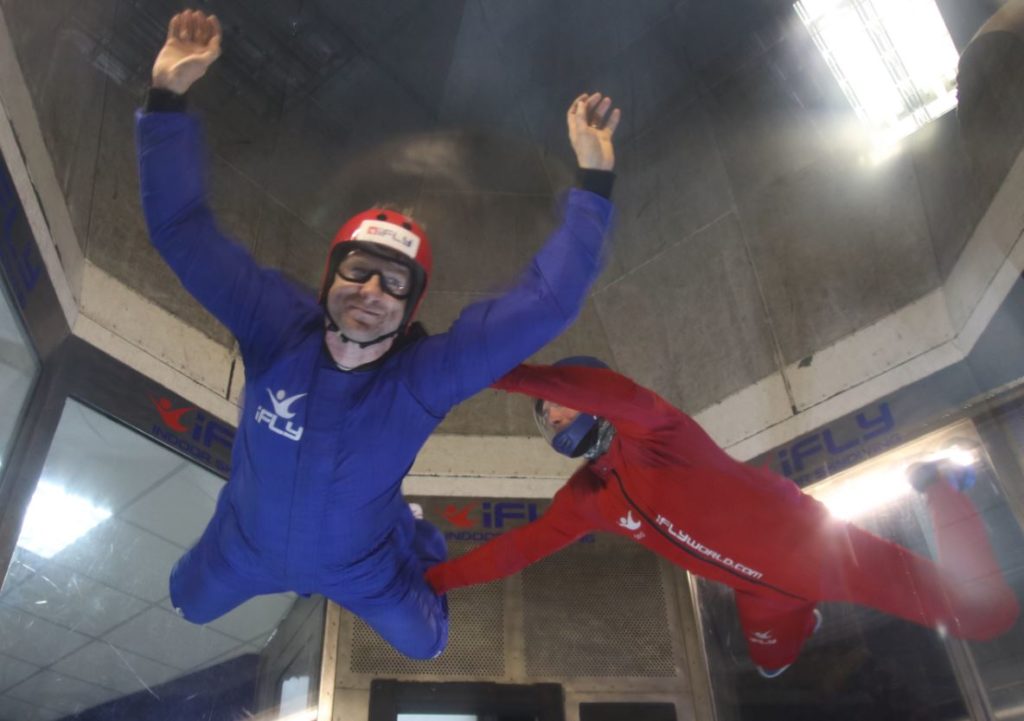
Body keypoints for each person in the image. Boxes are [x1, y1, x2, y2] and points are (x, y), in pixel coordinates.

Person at [137, 9, 622, 659]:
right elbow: (182, 230)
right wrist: (167, 97)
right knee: (184, 602)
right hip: (242, 545)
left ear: (411, 303)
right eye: (359, 271)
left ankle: (411, 532)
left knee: (428, 644)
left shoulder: (423, 377)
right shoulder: (274, 325)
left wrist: (594, 182)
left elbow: (547, 300)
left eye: (395, 284)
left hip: (361, 565)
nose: (372, 293)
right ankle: (341, 523)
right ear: (329, 277)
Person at [425, 357, 1020, 676]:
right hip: (760, 593)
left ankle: (938, 483)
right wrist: (432, 582)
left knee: (985, 617)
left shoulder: (657, 429)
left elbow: (614, 394)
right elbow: (515, 550)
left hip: (824, 553)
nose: (555, 417)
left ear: (590, 390)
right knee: (768, 664)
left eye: (560, 401)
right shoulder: (587, 498)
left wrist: (493, 372)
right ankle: (797, 626)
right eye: (547, 417)